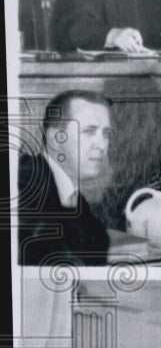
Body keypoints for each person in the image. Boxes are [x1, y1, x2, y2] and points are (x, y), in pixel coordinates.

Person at [17, 90, 112, 266]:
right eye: (89, 131)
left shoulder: (73, 198)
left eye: (105, 134)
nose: (102, 145)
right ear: (56, 139)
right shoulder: (23, 187)